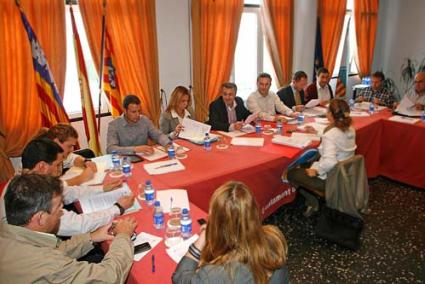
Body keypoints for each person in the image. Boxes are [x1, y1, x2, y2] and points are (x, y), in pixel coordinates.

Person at [0, 174, 137, 283]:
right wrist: (123, 236)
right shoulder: (47, 265)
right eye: (59, 207)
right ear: (40, 218)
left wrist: (90, 237)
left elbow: (55, 251)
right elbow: (108, 278)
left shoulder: (10, 233)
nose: (61, 212)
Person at [0, 138, 135, 236]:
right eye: (58, 165)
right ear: (42, 166)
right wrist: (118, 208)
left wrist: (102, 189)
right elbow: (79, 224)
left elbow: (69, 192)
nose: (60, 171)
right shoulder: (30, 194)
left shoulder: (30, 181)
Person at [172, 181, 289, 284]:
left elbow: (179, 278)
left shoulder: (215, 274)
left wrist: (201, 240)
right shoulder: (274, 238)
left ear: (217, 224)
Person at [287, 99, 356, 213]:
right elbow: (337, 138)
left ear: (331, 114)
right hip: (344, 174)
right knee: (307, 163)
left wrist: (317, 171)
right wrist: (317, 133)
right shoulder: (351, 129)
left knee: (291, 173)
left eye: (328, 110)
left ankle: (312, 200)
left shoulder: (331, 134)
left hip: (329, 179)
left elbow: (330, 162)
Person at [107, 94, 171, 155]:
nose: (137, 115)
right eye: (134, 112)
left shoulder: (144, 120)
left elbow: (158, 135)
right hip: (125, 160)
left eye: (139, 111)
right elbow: (111, 149)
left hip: (144, 157)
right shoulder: (114, 125)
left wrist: (167, 144)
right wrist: (134, 149)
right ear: (125, 110)